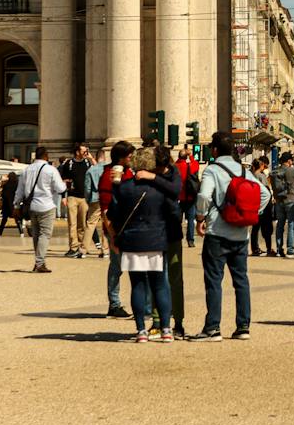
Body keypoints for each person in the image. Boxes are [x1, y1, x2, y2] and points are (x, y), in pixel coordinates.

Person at [194, 135, 270, 341]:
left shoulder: (212, 170)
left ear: (216, 150)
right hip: (240, 234)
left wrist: (200, 217)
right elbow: (265, 194)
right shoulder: (244, 170)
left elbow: (203, 196)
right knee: (241, 280)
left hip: (217, 232)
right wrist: (251, 213)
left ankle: (212, 328)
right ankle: (243, 326)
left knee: (214, 281)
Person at [105, 145, 179, 342]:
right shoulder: (159, 188)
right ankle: (166, 329)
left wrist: (114, 239)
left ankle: (141, 331)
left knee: (138, 285)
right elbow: (174, 213)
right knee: (160, 285)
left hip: (132, 240)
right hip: (156, 239)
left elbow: (112, 214)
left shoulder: (124, 188)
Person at [153, 143, 188, 339]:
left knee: (174, 278)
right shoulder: (148, 174)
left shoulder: (173, 173)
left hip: (172, 232)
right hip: (154, 233)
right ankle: (157, 320)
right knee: (156, 278)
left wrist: (153, 178)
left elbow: (175, 190)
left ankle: (178, 322)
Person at [14, 147, 66, 273]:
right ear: (46, 156)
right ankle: (40, 262)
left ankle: (38, 261)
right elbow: (60, 188)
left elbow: (20, 190)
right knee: (45, 234)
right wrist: (64, 184)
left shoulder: (26, 170)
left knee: (36, 235)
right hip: (46, 205)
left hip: (31, 206)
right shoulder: (50, 169)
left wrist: (16, 205)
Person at [99, 140, 135, 317]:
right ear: (121, 157)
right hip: (117, 228)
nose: (132, 158)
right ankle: (114, 304)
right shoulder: (108, 175)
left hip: (132, 227)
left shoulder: (129, 172)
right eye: (129, 155)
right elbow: (105, 209)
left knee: (136, 267)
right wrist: (112, 235)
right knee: (117, 266)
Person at [61, 143, 94, 258]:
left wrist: (91, 158)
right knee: (72, 223)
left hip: (84, 197)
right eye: (84, 151)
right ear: (77, 152)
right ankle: (73, 247)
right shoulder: (68, 164)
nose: (86, 153)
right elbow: (63, 181)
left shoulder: (87, 162)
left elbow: (98, 170)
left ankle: (82, 246)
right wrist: (63, 196)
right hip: (72, 196)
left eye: (87, 151)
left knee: (82, 224)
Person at [269, 152, 294, 259]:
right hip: (291, 200)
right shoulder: (292, 170)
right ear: (289, 161)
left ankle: (278, 249)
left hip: (279, 201)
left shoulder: (274, 171)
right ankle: (290, 250)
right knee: (291, 225)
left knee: (280, 225)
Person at [249, 155, 274, 258]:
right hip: (264, 205)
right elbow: (265, 190)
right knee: (267, 228)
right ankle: (269, 248)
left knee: (255, 228)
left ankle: (255, 248)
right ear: (262, 165)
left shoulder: (251, 175)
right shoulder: (260, 176)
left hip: (255, 204)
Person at [84, 147, 106, 258]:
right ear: (104, 157)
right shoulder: (109, 169)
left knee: (90, 224)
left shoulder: (90, 171)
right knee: (106, 224)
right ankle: (105, 250)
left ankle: (84, 249)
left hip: (95, 198)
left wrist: (87, 200)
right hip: (107, 198)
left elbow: (87, 189)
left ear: (96, 158)